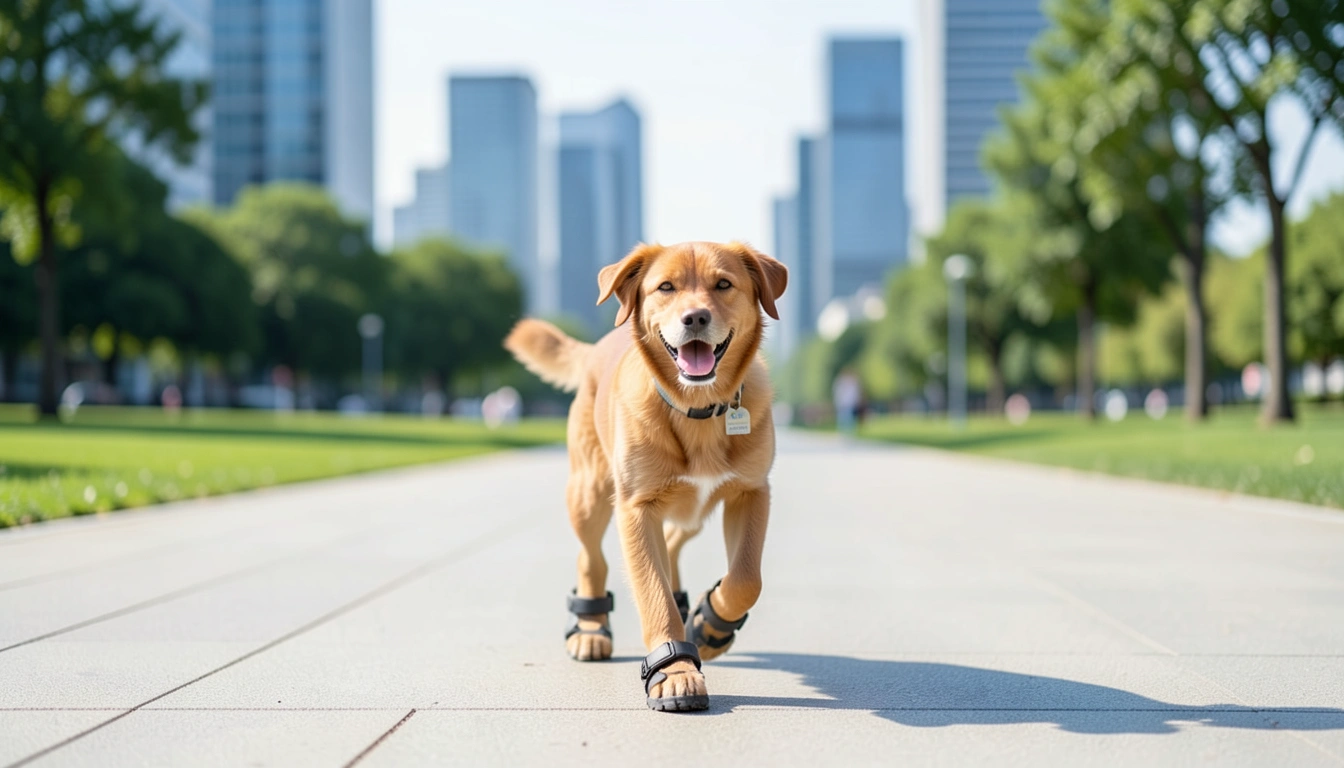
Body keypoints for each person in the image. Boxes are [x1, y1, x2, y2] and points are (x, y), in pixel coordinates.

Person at [833, 368, 862, 435]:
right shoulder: (840, 383)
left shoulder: (852, 384)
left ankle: (849, 432)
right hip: (843, 403)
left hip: (850, 403)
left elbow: (855, 393)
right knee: (843, 418)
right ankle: (843, 432)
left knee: (849, 418)